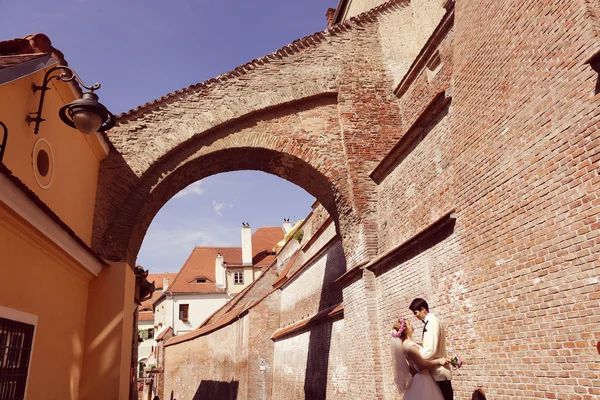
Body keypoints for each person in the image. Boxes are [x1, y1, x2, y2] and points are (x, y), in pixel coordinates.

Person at [391, 317, 447, 399]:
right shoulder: (409, 346)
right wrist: (439, 361)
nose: (412, 325)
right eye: (409, 324)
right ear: (405, 330)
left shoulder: (407, 344)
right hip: (422, 380)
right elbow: (422, 365)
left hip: (420, 377)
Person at [409, 298, 453, 400]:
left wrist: (415, 356)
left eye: (416, 313)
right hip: (436, 373)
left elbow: (430, 351)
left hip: (438, 373)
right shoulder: (431, 322)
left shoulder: (432, 323)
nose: (415, 316)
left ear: (423, 309)